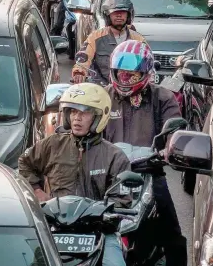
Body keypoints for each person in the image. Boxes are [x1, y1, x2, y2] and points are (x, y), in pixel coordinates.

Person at [18, 83, 131, 266]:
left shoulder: (115, 156)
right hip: (55, 227)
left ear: (97, 117)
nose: (77, 118)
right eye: (72, 112)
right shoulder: (53, 144)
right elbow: (24, 163)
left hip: (98, 231)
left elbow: (123, 198)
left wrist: (105, 213)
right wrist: (37, 191)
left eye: (84, 113)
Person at [102, 41, 187, 266]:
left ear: (145, 73)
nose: (125, 78)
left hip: (149, 174)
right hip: (106, 175)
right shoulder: (102, 97)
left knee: (172, 234)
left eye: (131, 74)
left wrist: (170, 148)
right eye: (120, 73)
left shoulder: (163, 98)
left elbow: (175, 131)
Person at [73, 0, 145, 86]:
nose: (119, 15)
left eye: (122, 12)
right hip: (101, 89)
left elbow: (148, 64)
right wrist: (79, 72)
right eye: (115, 12)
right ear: (107, 15)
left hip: (130, 88)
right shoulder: (95, 37)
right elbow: (83, 58)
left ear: (129, 15)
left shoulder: (138, 39)